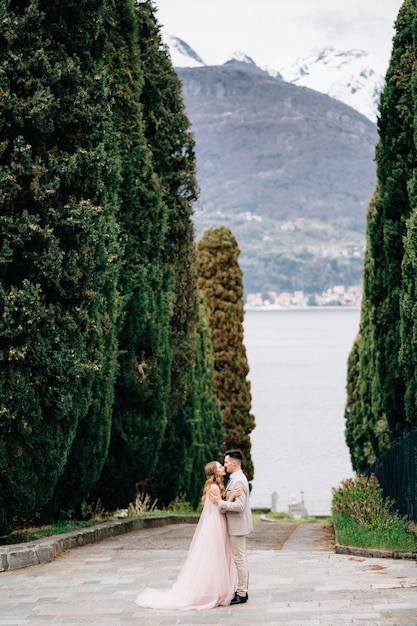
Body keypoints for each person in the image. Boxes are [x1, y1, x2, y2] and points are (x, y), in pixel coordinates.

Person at [135, 461, 241, 611]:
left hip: (216, 523)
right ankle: (212, 590)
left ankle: (214, 588)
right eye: (220, 467)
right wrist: (233, 497)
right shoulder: (215, 487)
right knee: (215, 557)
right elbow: (222, 510)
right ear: (214, 471)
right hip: (217, 524)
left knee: (214, 557)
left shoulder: (214, 486)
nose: (223, 467)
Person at [209, 449, 253, 605]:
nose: (225, 465)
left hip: (237, 526)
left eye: (226, 462)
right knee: (239, 558)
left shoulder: (239, 480)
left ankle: (241, 593)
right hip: (235, 526)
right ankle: (241, 590)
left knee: (239, 559)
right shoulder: (235, 479)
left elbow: (240, 506)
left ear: (234, 463)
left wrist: (220, 503)